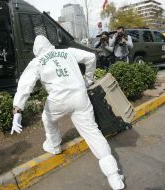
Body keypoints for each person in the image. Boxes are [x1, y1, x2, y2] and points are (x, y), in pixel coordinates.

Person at [11, 35, 125, 190]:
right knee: (93, 133)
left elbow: (25, 86)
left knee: (48, 118)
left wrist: (18, 110)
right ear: (50, 45)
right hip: (80, 97)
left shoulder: (37, 62)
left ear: (36, 50)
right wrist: (89, 79)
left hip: (58, 100)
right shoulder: (68, 52)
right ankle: (114, 176)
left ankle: (54, 145)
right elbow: (91, 57)